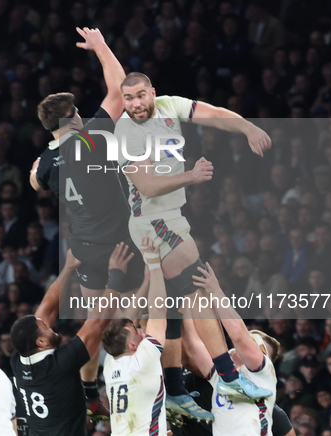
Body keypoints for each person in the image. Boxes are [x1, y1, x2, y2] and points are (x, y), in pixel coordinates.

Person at [113, 72, 272, 416]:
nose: (136, 104)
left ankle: (174, 387)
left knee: (174, 305)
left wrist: (247, 127)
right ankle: (227, 375)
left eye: (141, 96)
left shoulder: (169, 105)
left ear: (152, 92)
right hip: (152, 221)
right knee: (197, 286)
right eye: (128, 99)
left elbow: (213, 113)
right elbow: (147, 186)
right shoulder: (125, 131)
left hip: (171, 216)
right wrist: (192, 175)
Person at [30, 27, 147, 419]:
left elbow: (34, 178)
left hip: (85, 252)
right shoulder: (93, 137)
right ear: (72, 117)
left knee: (94, 327)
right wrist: (100, 48)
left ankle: (88, 389)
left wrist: (38, 167)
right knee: (139, 315)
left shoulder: (45, 164)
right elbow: (120, 91)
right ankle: (143, 389)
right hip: (120, 246)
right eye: (77, 111)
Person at [10, 245, 132, 436]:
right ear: (41, 343)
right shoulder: (58, 366)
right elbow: (98, 322)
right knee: (92, 337)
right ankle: (91, 397)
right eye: (46, 328)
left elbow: (47, 309)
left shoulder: (20, 358)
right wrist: (116, 274)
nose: (50, 326)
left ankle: (91, 397)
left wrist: (68, 268)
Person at [182, 264, 279, 436]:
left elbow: (239, 335)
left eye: (254, 343)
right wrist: (185, 304)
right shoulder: (221, 376)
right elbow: (193, 346)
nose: (243, 347)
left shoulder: (262, 375)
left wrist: (216, 291)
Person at [101, 236, 174, 436]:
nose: (142, 330)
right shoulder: (143, 359)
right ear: (133, 345)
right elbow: (158, 311)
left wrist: (147, 282)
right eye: (138, 332)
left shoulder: (111, 362)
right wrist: (154, 264)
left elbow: (126, 321)